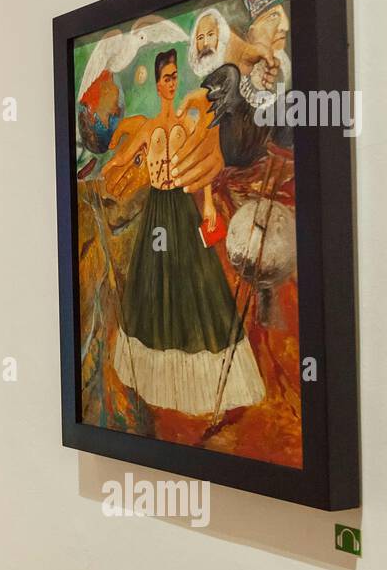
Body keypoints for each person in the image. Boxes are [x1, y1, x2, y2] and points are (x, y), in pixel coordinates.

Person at [103, 51, 265, 416]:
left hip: (180, 208)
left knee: (193, 287)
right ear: (159, 84)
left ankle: (203, 385)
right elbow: (126, 155)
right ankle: (156, 380)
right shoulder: (149, 128)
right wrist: (115, 162)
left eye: (176, 76)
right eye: (167, 77)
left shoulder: (189, 125)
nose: (173, 82)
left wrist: (207, 205)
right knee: (154, 288)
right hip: (157, 211)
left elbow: (201, 173)